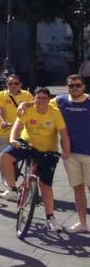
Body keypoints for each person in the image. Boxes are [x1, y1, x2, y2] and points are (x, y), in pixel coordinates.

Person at [0, 86, 70, 233]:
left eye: (44, 98)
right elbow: (17, 126)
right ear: (34, 98)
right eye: (38, 98)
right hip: (27, 144)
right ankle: (12, 189)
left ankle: (50, 218)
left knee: (45, 185)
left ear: (49, 99)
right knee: (5, 156)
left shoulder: (55, 112)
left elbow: (63, 134)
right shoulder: (28, 109)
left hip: (47, 150)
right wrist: (13, 139)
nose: (41, 101)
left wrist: (66, 150)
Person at [52, 74, 90, 233]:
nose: (75, 88)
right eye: (71, 86)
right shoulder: (60, 101)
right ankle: (82, 223)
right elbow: (39, 103)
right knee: (78, 189)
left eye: (78, 85)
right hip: (70, 154)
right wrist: (23, 105)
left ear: (84, 86)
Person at [0, 74, 33, 191]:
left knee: (22, 154)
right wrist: (3, 121)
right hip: (5, 129)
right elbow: (0, 109)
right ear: (6, 85)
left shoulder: (27, 95)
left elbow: (32, 107)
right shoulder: (2, 95)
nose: (13, 85)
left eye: (16, 83)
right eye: (10, 83)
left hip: (21, 130)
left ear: (20, 85)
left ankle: (26, 182)